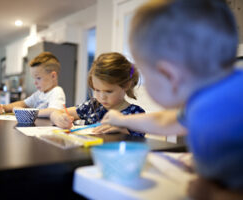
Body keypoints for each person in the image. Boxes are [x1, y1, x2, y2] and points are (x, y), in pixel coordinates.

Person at [101, 0, 243, 198]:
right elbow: (166, 120)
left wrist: (213, 193)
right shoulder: (213, 97)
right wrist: (120, 119)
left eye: (146, 75)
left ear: (170, 76)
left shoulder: (213, 119)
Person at [50, 52, 145, 136]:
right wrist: (58, 118)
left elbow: (140, 139)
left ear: (126, 85)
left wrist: (123, 131)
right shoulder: (92, 106)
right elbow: (58, 112)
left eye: (109, 91)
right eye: (97, 90)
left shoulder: (135, 114)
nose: (102, 97)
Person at [0, 52, 66, 117]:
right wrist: (4, 107)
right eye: (34, 79)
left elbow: (54, 111)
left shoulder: (57, 92)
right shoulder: (39, 93)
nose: (35, 82)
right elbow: (23, 103)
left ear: (53, 76)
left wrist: (27, 112)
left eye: (38, 78)